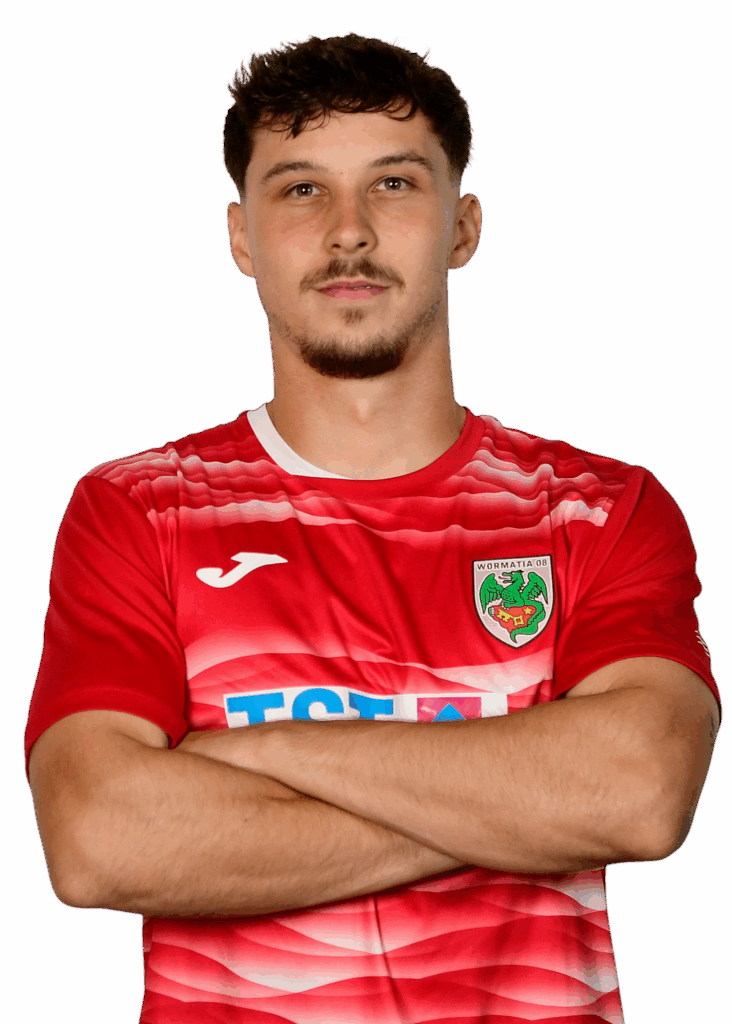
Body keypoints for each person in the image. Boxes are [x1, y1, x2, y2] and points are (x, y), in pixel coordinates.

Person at [25, 32, 721, 1024]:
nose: (348, 232)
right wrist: (524, 805)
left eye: (394, 184)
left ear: (462, 225)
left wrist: (253, 756)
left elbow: (640, 792)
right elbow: (99, 840)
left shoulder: (597, 509)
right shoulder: (138, 509)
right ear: (241, 237)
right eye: (302, 190)